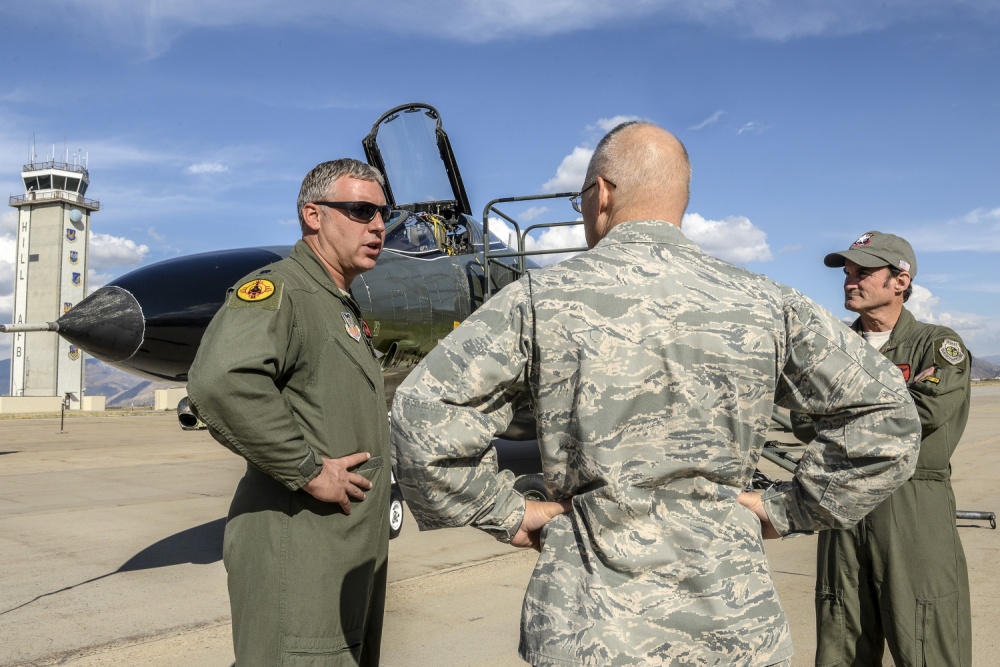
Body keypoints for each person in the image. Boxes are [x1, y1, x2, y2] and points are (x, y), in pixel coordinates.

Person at [389, 122, 921, 666]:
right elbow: (889, 419)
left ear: (601, 194)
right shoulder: (768, 303)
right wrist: (787, 508)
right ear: (680, 200)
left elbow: (420, 418)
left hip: (590, 628)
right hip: (733, 629)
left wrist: (507, 512)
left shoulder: (540, 299)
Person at [187, 159, 392, 666]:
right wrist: (307, 471)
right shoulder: (283, 291)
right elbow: (220, 381)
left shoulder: (337, 302)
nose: (379, 226)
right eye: (361, 210)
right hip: (299, 552)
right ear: (313, 215)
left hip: (339, 554)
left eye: (384, 213)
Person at [793, 231, 972, 666]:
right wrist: (876, 411)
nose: (850, 281)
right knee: (841, 633)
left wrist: (839, 413)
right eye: (848, 272)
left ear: (900, 281)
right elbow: (801, 419)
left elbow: (920, 415)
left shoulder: (935, 343)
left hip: (912, 503)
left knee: (927, 636)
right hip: (842, 504)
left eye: (864, 272)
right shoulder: (833, 348)